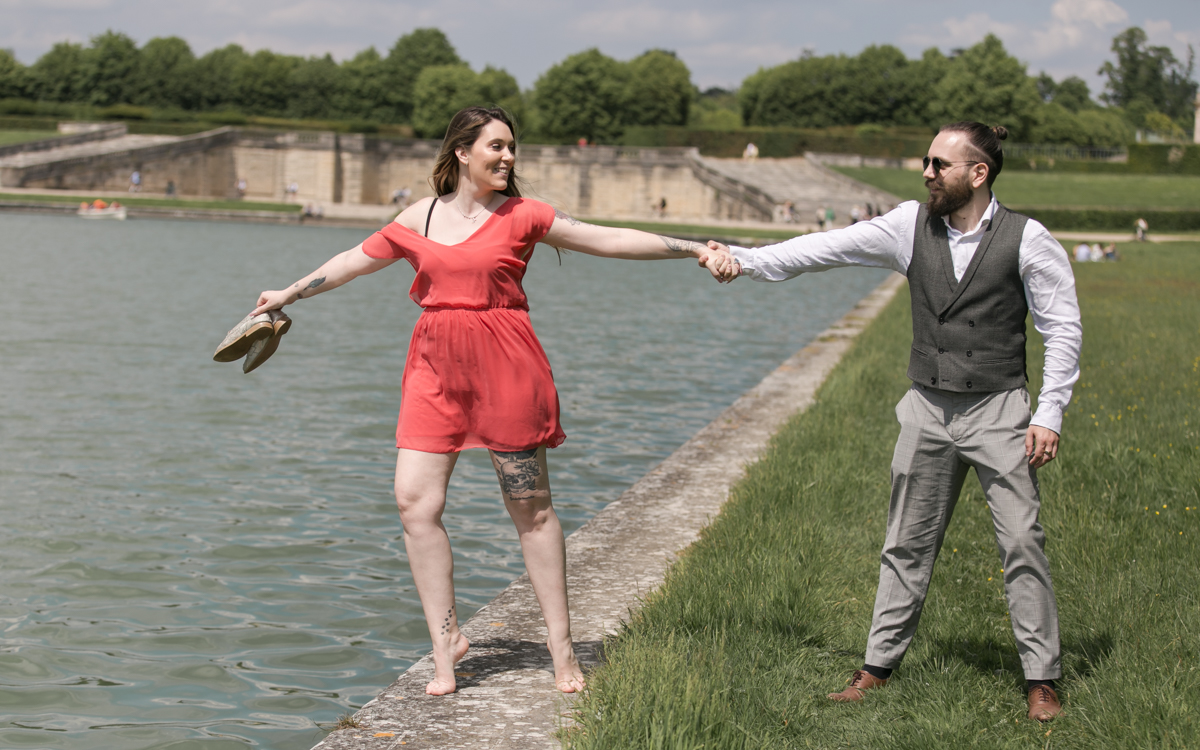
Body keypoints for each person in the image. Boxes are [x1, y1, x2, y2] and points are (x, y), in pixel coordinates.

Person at [249, 107, 735, 697]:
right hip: (433, 370)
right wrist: (289, 292)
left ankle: (562, 647)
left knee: (530, 510)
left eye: (511, 147)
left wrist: (692, 248)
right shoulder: (419, 217)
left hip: (506, 368)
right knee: (414, 503)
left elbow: (606, 238)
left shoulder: (523, 215)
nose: (508, 157)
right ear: (462, 151)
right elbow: (352, 262)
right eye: (496, 146)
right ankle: (446, 644)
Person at [709, 122, 1082, 722]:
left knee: (1021, 543)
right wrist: (744, 260)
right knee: (906, 542)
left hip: (999, 412)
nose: (927, 173)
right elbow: (823, 249)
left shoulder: (1029, 239)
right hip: (927, 410)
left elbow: (1062, 328)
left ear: (978, 173)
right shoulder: (908, 225)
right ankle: (877, 668)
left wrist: (1049, 413)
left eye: (939, 164)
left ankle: (1042, 678)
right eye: (926, 162)